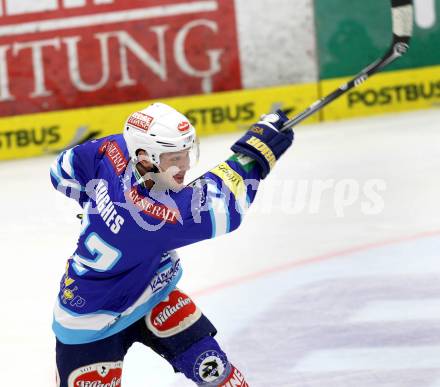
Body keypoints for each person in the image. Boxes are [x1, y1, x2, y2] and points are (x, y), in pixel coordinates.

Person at [50, 102, 293, 386]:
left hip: (152, 295)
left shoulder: (112, 149)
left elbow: (62, 171)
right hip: (89, 323)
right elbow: (224, 205)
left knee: (215, 370)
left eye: (186, 154)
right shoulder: (151, 215)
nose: (186, 166)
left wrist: (97, 208)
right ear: (144, 156)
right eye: (174, 158)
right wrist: (255, 154)